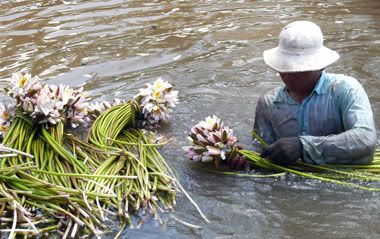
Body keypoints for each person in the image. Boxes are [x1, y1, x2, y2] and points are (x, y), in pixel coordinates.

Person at [229, 20, 377, 168]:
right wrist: (247, 160)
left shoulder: (345, 89)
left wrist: (303, 146)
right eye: (284, 68)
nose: (288, 75)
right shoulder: (268, 103)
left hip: (345, 175)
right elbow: (262, 151)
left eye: (297, 70)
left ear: (319, 66)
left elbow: (365, 139)